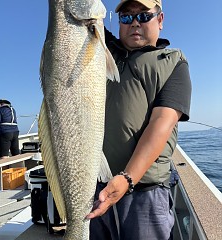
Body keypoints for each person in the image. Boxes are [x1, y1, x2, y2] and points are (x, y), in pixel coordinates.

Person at [87, 0, 192, 240]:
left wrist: (126, 178)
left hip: (145, 193)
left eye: (144, 16)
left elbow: (161, 124)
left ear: (160, 20)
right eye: (126, 17)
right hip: (95, 188)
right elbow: (83, 14)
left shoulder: (173, 62)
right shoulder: (103, 49)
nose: (134, 23)